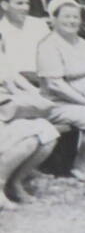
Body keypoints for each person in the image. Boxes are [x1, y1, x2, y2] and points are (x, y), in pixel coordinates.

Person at [35, 0, 85, 184]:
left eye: (75, 17)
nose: (71, 21)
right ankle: (80, 165)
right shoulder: (48, 46)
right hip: (59, 103)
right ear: (54, 19)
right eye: (66, 17)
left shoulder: (84, 44)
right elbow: (55, 86)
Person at [0, 51, 59, 211]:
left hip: (7, 114)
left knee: (46, 132)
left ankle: (15, 183)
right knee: (27, 138)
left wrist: (37, 97)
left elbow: (13, 78)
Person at [0, 0, 51, 82]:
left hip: (46, 79)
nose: (25, 8)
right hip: (16, 83)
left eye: (27, 3)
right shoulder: (1, 30)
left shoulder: (39, 25)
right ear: (4, 5)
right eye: (19, 3)